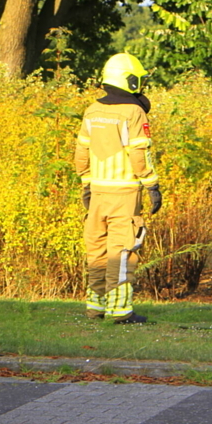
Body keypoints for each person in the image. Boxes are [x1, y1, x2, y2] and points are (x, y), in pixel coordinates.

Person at [75, 53, 161, 324]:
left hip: (97, 192)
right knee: (122, 250)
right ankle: (121, 310)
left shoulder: (92, 110)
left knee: (96, 249)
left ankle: (96, 306)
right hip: (124, 193)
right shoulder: (133, 112)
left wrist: (86, 183)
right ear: (131, 81)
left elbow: (81, 151)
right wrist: (151, 184)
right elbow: (139, 154)